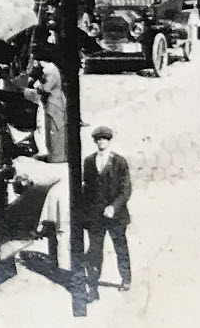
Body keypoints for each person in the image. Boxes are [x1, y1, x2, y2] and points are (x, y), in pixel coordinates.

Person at [79, 126, 133, 297]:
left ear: (109, 141)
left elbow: (126, 190)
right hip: (95, 216)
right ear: (95, 141)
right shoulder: (88, 162)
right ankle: (93, 286)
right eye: (98, 139)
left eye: (104, 139)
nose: (101, 141)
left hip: (116, 216)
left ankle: (126, 278)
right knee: (94, 250)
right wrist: (85, 214)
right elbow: (86, 189)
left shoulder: (119, 162)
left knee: (120, 247)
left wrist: (114, 207)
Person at [25, 61, 68, 163]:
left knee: (56, 132)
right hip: (50, 104)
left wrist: (32, 85)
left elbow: (45, 89)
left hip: (55, 104)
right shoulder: (47, 69)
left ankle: (58, 159)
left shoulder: (50, 70)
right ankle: (52, 156)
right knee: (49, 133)